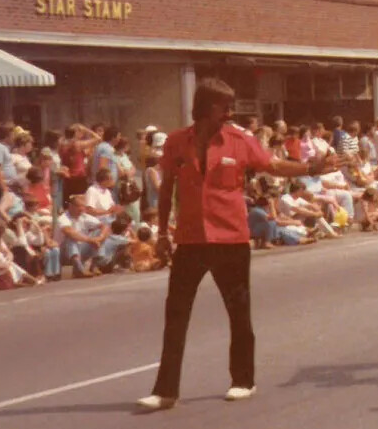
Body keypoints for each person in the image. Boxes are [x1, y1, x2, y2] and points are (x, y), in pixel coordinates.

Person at [137, 78, 333, 411]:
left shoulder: (240, 140)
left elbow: (273, 165)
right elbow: (167, 187)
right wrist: (162, 234)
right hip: (190, 240)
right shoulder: (176, 142)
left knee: (238, 312)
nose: (229, 113)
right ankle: (165, 390)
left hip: (230, 238)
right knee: (176, 314)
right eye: (223, 107)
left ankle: (243, 380)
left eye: (231, 107)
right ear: (204, 107)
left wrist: (310, 167)